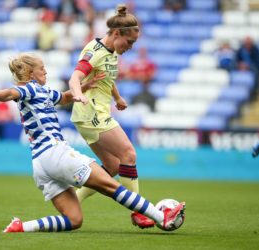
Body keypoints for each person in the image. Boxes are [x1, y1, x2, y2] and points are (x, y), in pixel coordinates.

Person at [0, 53, 185, 233]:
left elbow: (64, 97)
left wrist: (84, 87)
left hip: (40, 165)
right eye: (42, 69)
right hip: (55, 153)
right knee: (111, 186)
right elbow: (12, 93)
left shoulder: (44, 92)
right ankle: (161, 216)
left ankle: (22, 226)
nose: (46, 72)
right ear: (32, 73)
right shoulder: (30, 89)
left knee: (74, 220)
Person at [68, 4, 156, 228]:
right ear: (117, 33)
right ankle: (138, 211)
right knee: (128, 153)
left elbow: (107, 77)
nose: (130, 47)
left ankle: (72, 203)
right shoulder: (95, 51)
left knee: (114, 166)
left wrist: (117, 97)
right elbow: (75, 78)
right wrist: (78, 95)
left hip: (93, 114)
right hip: (91, 113)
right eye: (130, 42)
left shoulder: (112, 51)